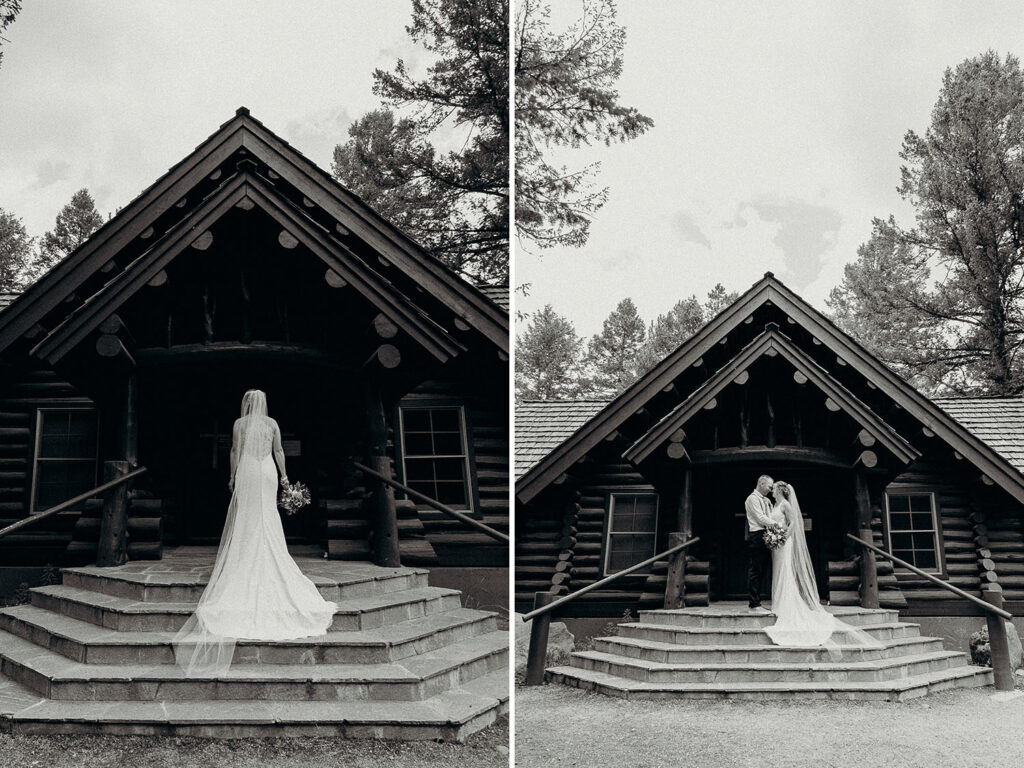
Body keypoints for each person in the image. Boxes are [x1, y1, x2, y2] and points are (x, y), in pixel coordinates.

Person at [172, 389, 337, 676]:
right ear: (264, 404)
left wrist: (232, 476)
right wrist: (285, 479)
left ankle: (245, 557)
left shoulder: (239, 423)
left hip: (248, 470)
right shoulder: (272, 423)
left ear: (247, 403)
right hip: (268, 471)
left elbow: (235, 451)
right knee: (267, 515)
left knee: (247, 516)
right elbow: (279, 452)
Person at [764, 480, 883, 649]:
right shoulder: (774, 505)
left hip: (784, 543)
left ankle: (787, 603)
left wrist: (783, 538)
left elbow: (792, 524)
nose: (772, 491)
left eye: (774, 489)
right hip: (777, 545)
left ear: (781, 491)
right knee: (778, 571)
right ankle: (778, 602)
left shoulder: (785, 505)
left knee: (785, 572)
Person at [744, 474, 775, 613]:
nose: (770, 489)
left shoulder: (767, 500)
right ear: (761, 483)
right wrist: (778, 525)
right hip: (757, 535)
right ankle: (754, 605)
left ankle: (758, 601)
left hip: (767, 535)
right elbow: (761, 518)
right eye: (769, 486)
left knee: (763, 569)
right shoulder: (752, 499)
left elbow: (770, 515)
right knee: (755, 570)